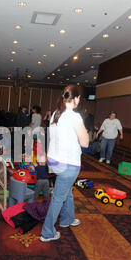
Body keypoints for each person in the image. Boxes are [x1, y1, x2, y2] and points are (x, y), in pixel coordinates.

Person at [40, 85, 89, 242]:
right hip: (68, 163)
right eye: (79, 98)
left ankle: (68, 219)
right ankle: (47, 232)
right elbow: (86, 143)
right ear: (75, 99)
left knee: (66, 190)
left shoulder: (56, 113)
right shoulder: (75, 117)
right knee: (58, 197)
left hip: (54, 161)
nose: (79, 100)